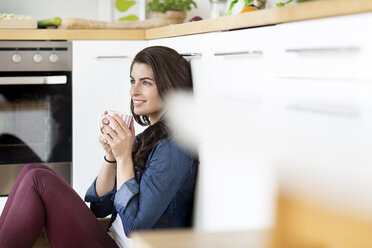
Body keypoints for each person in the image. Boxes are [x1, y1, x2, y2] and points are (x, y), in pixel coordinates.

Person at [0, 46, 198, 248]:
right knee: (33, 170)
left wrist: (123, 159)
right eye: (132, 81)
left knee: (37, 179)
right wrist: (111, 157)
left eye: (146, 82)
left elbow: (134, 227)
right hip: (108, 239)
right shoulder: (145, 139)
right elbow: (99, 207)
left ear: (170, 88)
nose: (133, 91)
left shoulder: (174, 150)